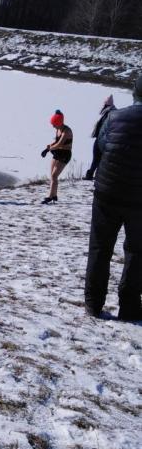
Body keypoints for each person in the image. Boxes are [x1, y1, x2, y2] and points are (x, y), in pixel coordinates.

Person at [85, 74, 142, 321]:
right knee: (137, 252)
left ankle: (93, 304)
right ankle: (129, 308)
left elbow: (100, 147)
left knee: (100, 247)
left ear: (134, 93)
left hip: (107, 191)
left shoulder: (114, 117)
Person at [41, 110, 73, 204]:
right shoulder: (58, 130)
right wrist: (47, 148)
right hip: (58, 153)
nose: (53, 126)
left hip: (65, 154)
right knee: (52, 175)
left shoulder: (67, 131)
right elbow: (56, 143)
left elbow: (59, 144)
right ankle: (54, 195)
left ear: (59, 123)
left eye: (54, 124)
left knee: (55, 175)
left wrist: (50, 148)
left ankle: (50, 197)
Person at [85, 95, 116, 180]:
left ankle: (91, 175)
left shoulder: (109, 113)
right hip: (102, 139)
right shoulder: (110, 112)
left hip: (102, 140)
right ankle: (94, 175)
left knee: (97, 158)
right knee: (98, 159)